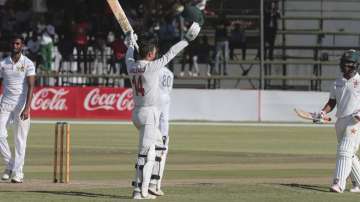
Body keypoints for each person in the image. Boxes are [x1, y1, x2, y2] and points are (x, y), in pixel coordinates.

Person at [125, 22, 200, 199]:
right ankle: (138, 190)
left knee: (159, 145)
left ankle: (151, 184)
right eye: (154, 52)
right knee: (143, 152)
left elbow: (129, 53)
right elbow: (171, 53)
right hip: (149, 114)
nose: (156, 54)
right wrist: (187, 40)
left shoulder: (131, 65)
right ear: (150, 54)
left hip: (137, 113)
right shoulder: (152, 67)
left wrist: (129, 42)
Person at [316, 49, 360, 193]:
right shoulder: (337, 82)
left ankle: (338, 184)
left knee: (344, 150)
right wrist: (323, 112)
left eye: (348, 63)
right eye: (344, 63)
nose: (345, 66)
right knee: (349, 154)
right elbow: (332, 102)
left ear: (355, 65)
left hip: (355, 120)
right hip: (340, 121)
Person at [0, 35, 36, 183]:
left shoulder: (28, 63)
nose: (15, 45)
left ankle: (17, 172)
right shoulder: (3, 64)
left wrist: (27, 108)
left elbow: (31, 86)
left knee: (20, 139)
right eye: (13, 43)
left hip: (21, 105)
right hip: (5, 104)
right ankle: (10, 164)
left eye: (17, 43)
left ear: (22, 46)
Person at [149, 66, 174, 196]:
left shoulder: (155, 70)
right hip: (164, 126)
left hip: (155, 113)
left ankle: (151, 184)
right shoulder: (170, 73)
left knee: (152, 154)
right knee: (161, 156)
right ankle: (156, 184)